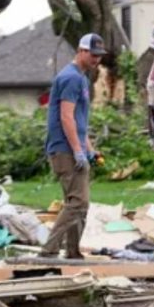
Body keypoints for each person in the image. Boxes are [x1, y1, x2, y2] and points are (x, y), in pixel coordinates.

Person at [40, 33, 106, 259]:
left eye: (99, 55)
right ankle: (49, 250)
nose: (97, 59)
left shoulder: (82, 78)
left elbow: (79, 122)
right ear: (81, 51)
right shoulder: (70, 78)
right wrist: (77, 151)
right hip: (65, 149)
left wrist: (89, 149)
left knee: (78, 204)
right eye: (93, 54)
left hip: (74, 147)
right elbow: (66, 117)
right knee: (78, 202)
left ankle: (73, 251)